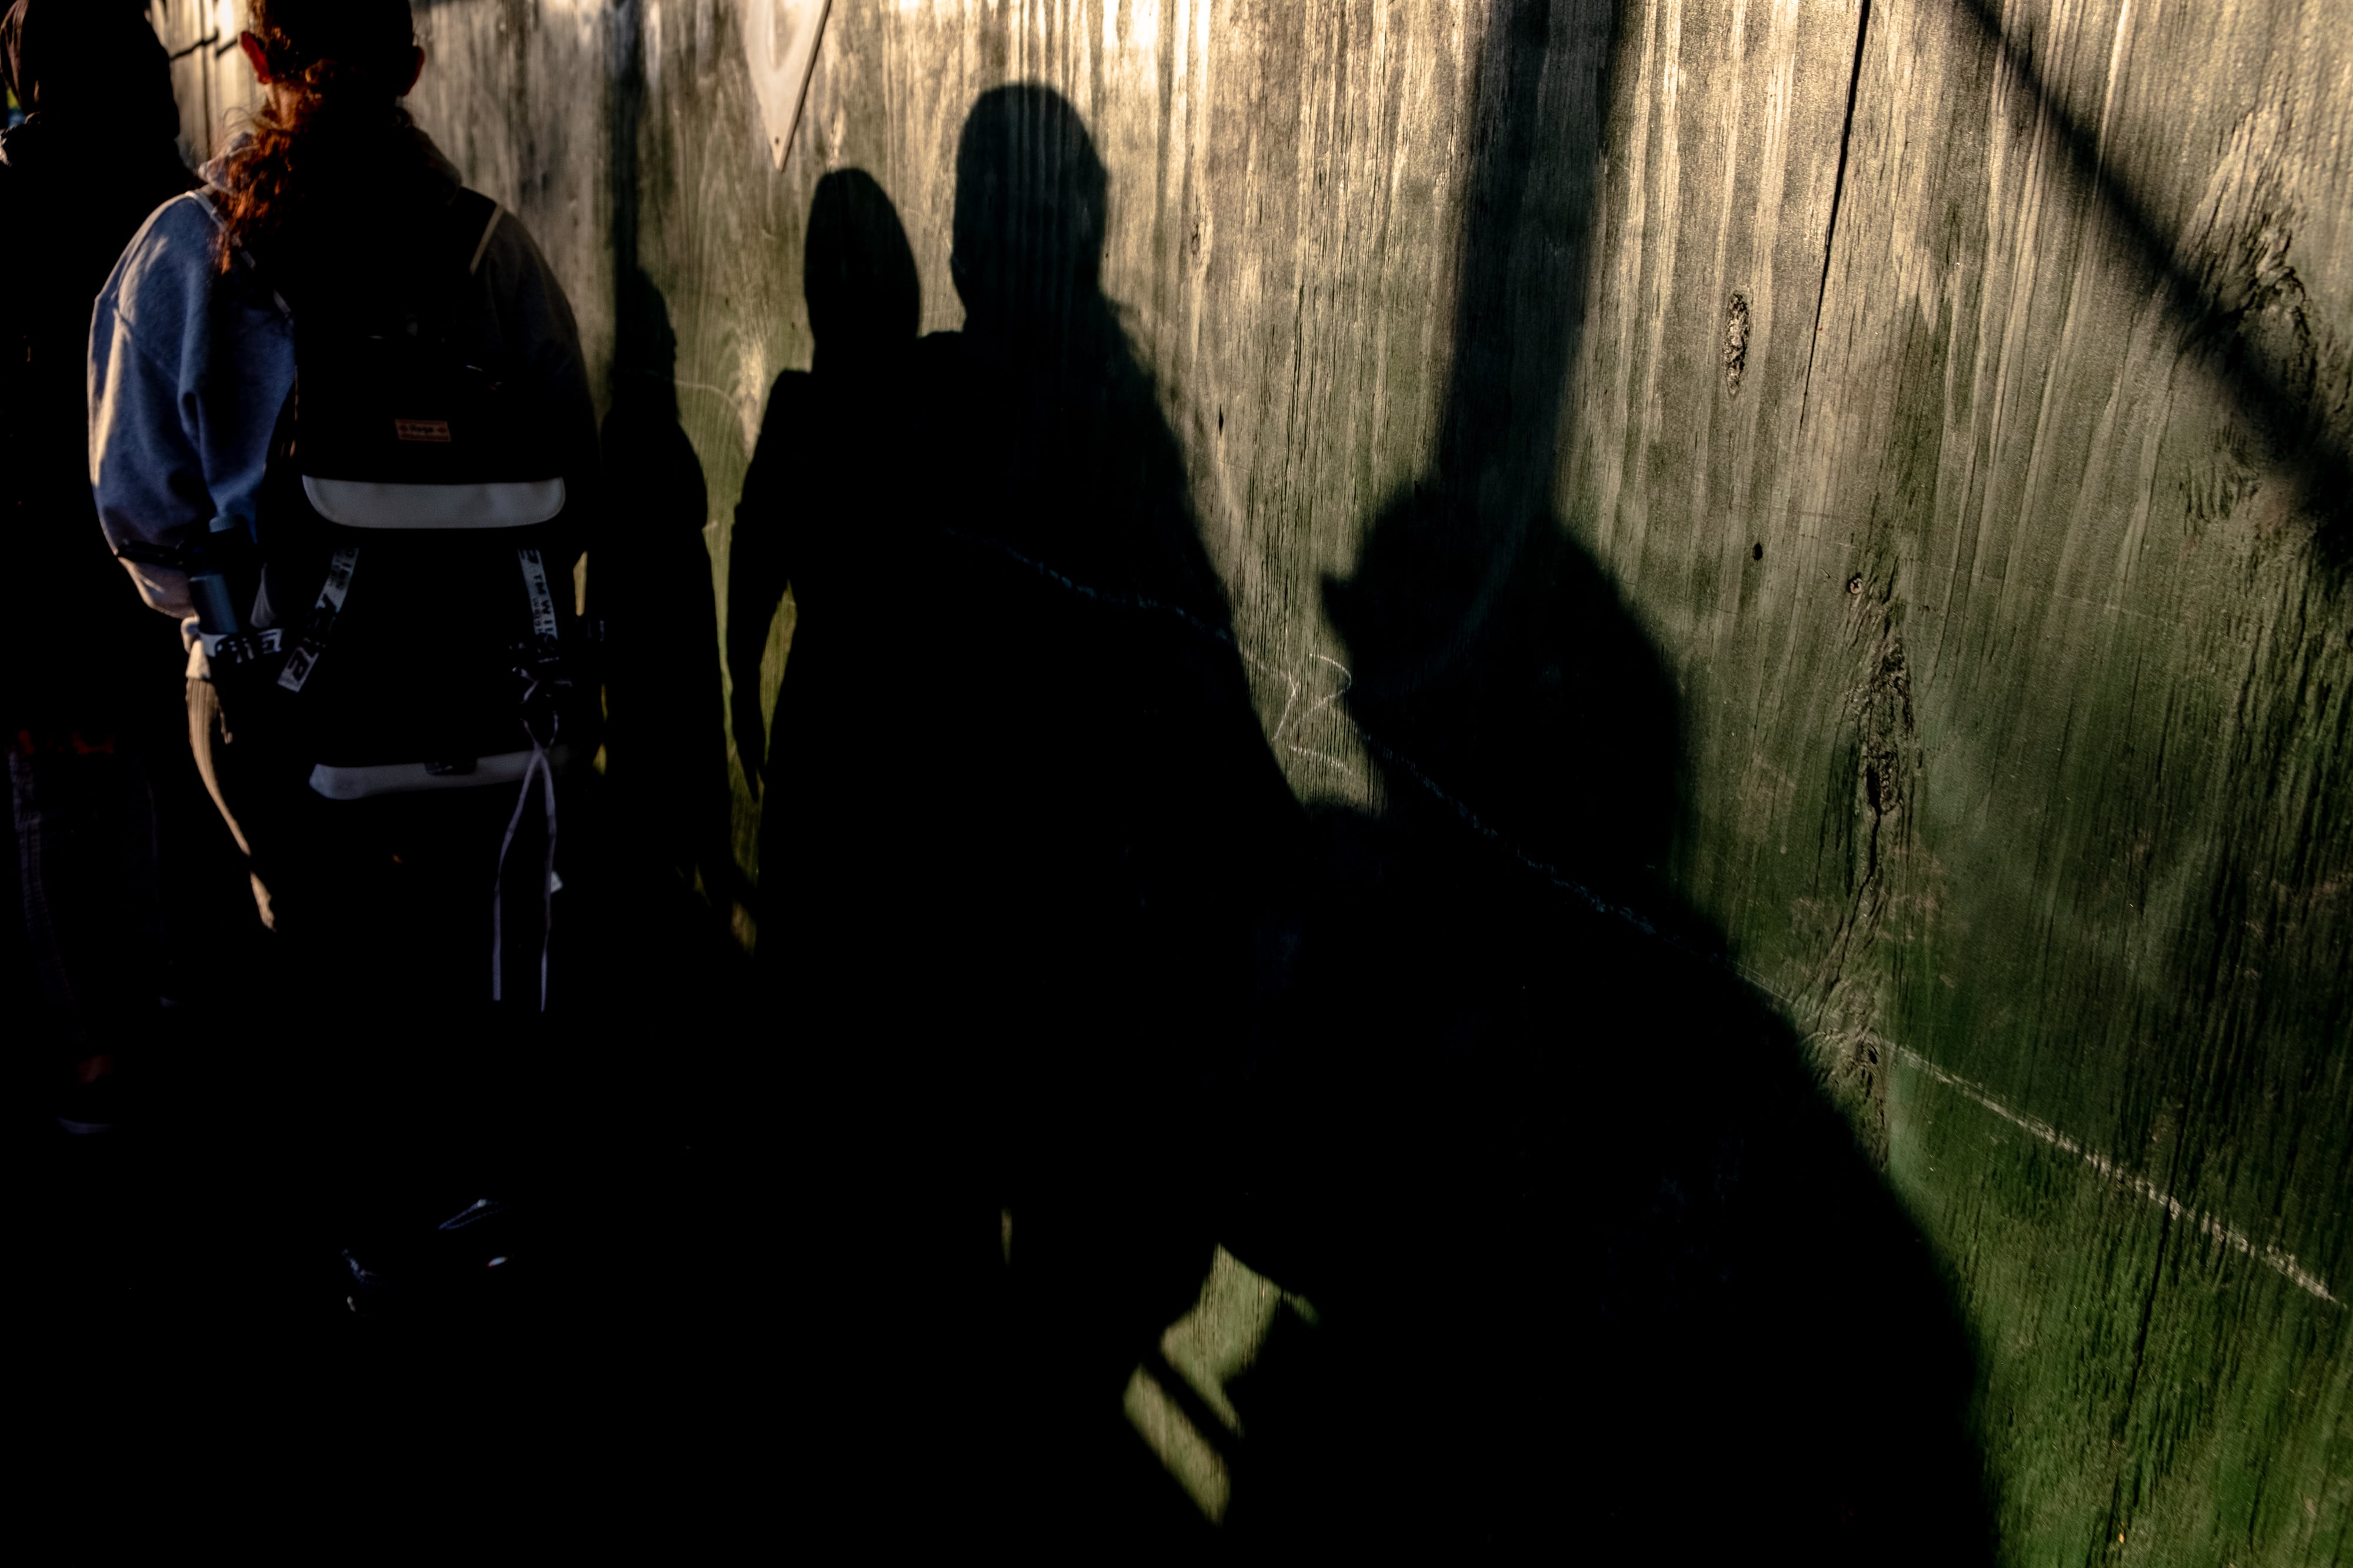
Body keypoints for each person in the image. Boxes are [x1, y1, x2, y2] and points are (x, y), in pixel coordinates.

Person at [88, 0, 597, 1303]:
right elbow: (569, 468)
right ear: (413, 69)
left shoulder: (184, 253)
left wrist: (237, 619)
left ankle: (367, 1234)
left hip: (287, 714)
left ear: (254, 61)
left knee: (316, 956)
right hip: (483, 701)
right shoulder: (494, 250)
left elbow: (142, 510)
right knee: (461, 960)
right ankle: (475, 1201)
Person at [1, 0, 201, 1133]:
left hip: (39, 558)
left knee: (54, 798)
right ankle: (178, 1012)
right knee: (159, 780)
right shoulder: (180, 209)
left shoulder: (9, 194)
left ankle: (91, 1064)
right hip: (164, 551)